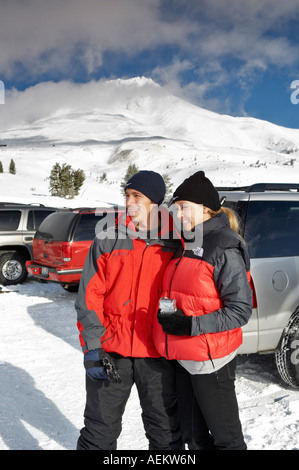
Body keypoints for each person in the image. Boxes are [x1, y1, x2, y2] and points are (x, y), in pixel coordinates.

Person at [75, 170, 183, 450]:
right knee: (99, 431)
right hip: (112, 352)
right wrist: (92, 347)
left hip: (159, 354)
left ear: (156, 203)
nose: (130, 201)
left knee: (167, 433)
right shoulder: (108, 239)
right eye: (127, 195)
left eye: (138, 196)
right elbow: (89, 297)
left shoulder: (177, 242)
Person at [153, 170, 253, 450]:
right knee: (194, 439)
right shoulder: (187, 243)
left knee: (227, 441)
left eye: (184, 207)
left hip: (212, 361)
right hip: (185, 357)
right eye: (176, 208)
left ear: (206, 209)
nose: (179, 214)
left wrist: (191, 325)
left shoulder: (223, 246)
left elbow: (240, 310)